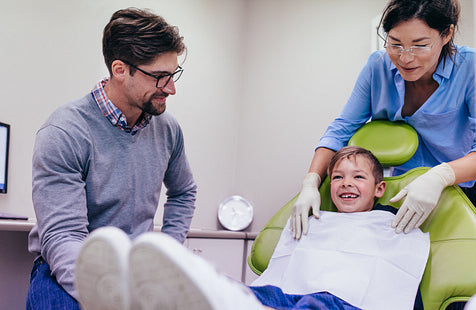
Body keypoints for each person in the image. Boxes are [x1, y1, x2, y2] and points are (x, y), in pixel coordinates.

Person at [74, 146, 430, 310]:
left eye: (357, 177)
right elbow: (283, 270)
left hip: (340, 303)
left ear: (380, 188)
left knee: (314, 304)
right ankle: (182, 292)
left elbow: (398, 278)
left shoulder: (393, 223)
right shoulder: (315, 218)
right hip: (287, 295)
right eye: (337, 176)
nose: (345, 183)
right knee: (253, 291)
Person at [26, 8, 197, 310]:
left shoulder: (167, 129)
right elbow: (64, 237)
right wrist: (115, 297)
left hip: (138, 271)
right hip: (69, 267)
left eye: (173, 75)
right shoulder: (64, 131)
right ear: (120, 69)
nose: (171, 89)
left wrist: (166, 254)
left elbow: (184, 192)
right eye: (160, 77)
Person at [291, 0, 476, 240]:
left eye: (420, 45)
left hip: (461, 188)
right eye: (395, 44)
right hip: (401, 192)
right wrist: (311, 181)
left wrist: (439, 177)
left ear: (446, 34)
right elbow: (341, 130)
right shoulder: (377, 67)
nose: (405, 58)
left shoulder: (472, 67)